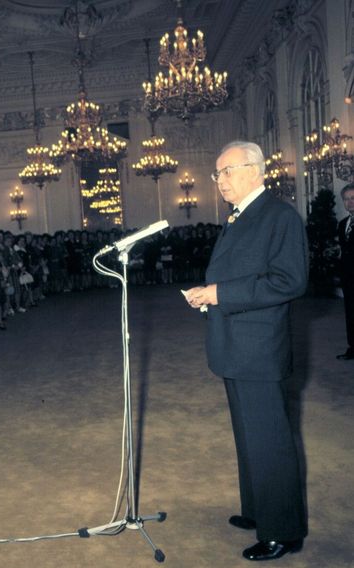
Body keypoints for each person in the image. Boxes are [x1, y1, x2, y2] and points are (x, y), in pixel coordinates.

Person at [184, 141, 308, 562]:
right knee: (248, 436)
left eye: (227, 171)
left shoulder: (279, 216)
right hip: (235, 344)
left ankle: (284, 531)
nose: (219, 181)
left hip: (259, 348)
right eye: (217, 173)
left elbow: (289, 281)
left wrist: (220, 293)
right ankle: (258, 510)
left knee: (269, 440)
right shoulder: (240, 217)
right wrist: (209, 295)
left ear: (255, 170)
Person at [336, 183, 354, 360]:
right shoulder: (342, 224)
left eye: (352, 198)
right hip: (348, 278)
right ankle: (352, 347)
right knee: (350, 312)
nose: (349, 203)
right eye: (346, 199)